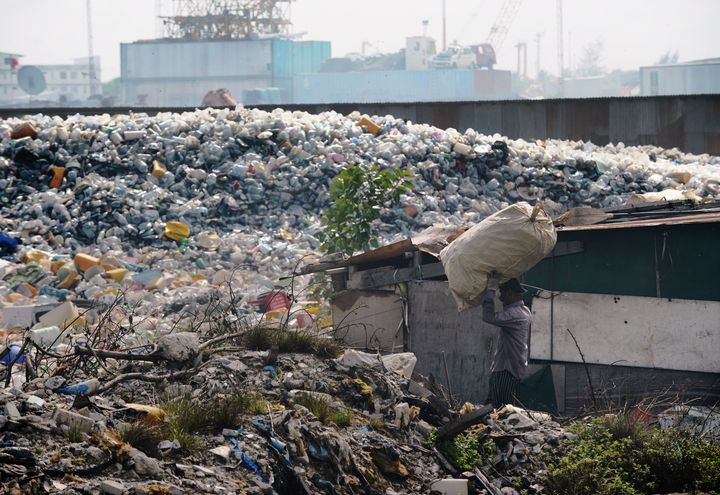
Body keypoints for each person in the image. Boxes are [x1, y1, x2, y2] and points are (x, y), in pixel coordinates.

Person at [482, 274, 531, 408]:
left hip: (506, 371)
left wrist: (490, 291)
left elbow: (488, 317)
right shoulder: (523, 311)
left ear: (510, 293)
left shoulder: (516, 314)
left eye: (502, 292)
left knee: (498, 410)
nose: (500, 297)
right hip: (508, 370)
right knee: (494, 409)